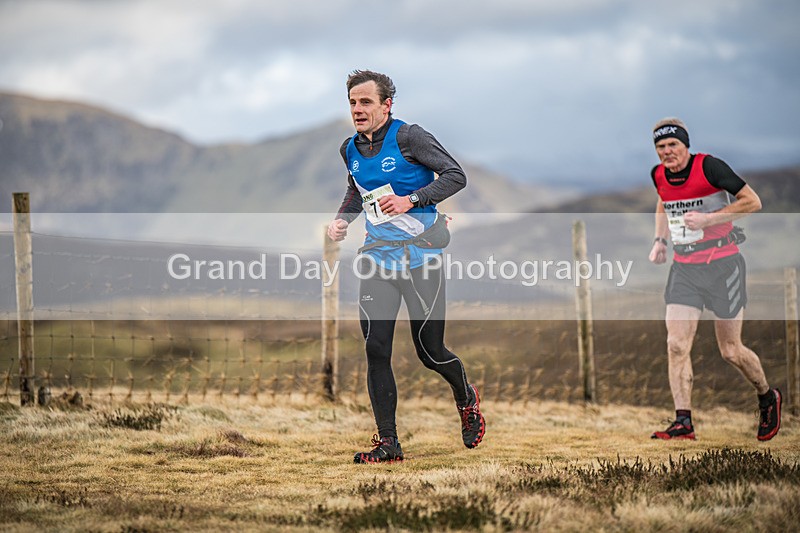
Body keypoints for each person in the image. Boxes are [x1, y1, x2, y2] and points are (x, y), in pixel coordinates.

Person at [327, 70, 485, 463]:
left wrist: (412, 199)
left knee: (429, 351)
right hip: (376, 257)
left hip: (421, 257)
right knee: (375, 348)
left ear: (386, 105)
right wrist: (342, 219)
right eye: (352, 103)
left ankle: (465, 398)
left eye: (366, 102)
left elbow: (455, 176)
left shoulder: (410, 137)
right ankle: (389, 444)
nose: (358, 109)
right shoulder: (349, 148)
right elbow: (357, 191)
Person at [648, 117, 781, 441]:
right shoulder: (658, 174)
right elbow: (663, 202)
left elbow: (753, 201)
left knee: (731, 350)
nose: (667, 152)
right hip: (685, 268)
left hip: (724, 266)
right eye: (661, 147)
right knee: (676, 344)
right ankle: (683, 423)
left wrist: (709, 219)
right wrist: (660, 241)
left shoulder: (709, 167)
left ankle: (767, 397)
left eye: (673, 145)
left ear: (685, 145)